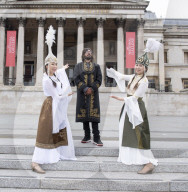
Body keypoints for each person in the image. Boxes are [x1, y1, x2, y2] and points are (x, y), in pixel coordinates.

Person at [107, 39, 160, 174]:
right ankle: (130, 156)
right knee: (127, 131)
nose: (137, 67)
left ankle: (148, 163)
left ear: (145, 68)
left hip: (136, 108)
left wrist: (121, 98)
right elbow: (122, 76)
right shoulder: (133, 77)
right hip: (128, 107)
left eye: (140, 66)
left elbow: (135, 97)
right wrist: (112, 71)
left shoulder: (144, 81)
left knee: (139, 133)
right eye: (136, 64)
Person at [31, 26, 76, 174]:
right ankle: (36, 161)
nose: (55, 66)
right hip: (50, 106)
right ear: (46, 66)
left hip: (56, 106)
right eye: (52, 64)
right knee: (45, 132)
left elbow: (58, 77)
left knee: (59, 129)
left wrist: (62, 68)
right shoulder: (46, 80)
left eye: (56, 64)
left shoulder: (54, 75)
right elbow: (56, 96)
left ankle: (56, 152)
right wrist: (67, 95)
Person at [73, 48, 103, 146]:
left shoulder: (97, 66)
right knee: (84, 115)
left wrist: (92, 88)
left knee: (94, 116)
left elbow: (99, 79)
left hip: (94, 94)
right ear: (83, 54)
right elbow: (76, 79)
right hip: (82, 93)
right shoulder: (78, 66)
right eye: (86, 52)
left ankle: (97, 137)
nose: (88, 53)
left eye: (90, 52)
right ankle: (87, 135)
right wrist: (85, 88)